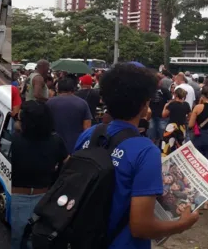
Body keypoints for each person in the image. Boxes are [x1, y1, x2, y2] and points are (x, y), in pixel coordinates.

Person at [74, 63, 199, 248]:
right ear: (144, 104)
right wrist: (181, 224)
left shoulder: (90, 134)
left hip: (83, 238)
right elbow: (141, 227)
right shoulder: (145, 151)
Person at [11, 101, 68, 249]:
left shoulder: (15, 140)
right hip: (44, 199)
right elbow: (68, 164)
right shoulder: (56, 141)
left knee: (16, 240)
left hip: (18, 198)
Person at [46, 77, 92, 154]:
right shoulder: (82, 103)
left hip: (54, 147)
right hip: (76, 147)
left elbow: (45, 126)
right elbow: (87, 129)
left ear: (58, 88)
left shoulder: (49, 103)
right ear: (73, 88)